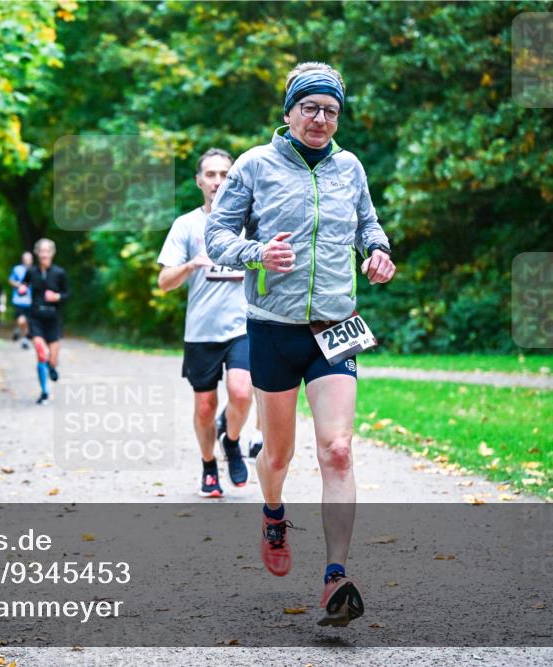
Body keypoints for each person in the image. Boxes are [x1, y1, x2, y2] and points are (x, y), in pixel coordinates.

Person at [205, 61, 396, 627]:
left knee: (337, 449)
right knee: (279, 454)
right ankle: (272, 511)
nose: (320, 119)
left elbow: (369, 224)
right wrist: (256, 252)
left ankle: (337, 575)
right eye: (310, 108)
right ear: (288, 112)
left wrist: (379, 251)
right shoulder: (255, 166)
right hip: (272, 329)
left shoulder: (351, 167)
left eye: (330, 110)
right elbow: (219, 233)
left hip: (335, 328)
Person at [157, 148, 262, 498]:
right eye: (211, 174)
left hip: (242, 326)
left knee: (242, 392)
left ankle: (230, 441)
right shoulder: (186, 225)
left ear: (233, 178)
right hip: (201, 330)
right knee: (204, 406)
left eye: (224, 174)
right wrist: (190, 266)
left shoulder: (250, 223)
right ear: (199, 181)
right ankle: (208, 466)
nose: (218, 181)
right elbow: (164, 281)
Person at [19, 239, 69, 405]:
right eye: (41, 251)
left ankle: (52, 366)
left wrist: (57, 297)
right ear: (37, 253)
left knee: (52, 359)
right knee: (42, 354)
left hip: (53, 319)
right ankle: (44, 392)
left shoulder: (60, 273)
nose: (44, 254)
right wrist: (22, 289)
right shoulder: (31, 272)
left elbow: (68, 293)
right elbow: (23, 284)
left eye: (47, 251)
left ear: (52, 253)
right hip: (36, 318)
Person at [8, 251, 34, 350]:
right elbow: (10, 280)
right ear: (23, 259)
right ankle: (18, 329)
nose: (27, 261)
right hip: (19, 299)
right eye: (26, 259)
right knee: (21, 320)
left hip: (30, 300)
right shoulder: (17, 269)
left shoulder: (34, 270)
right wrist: (19, 285)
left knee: (27, 321)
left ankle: (25, 340)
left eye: (29, 259)